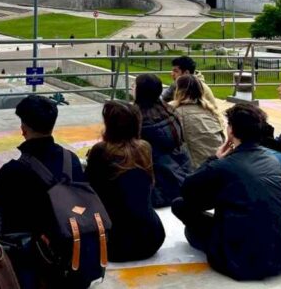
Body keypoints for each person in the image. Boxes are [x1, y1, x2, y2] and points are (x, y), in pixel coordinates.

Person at [0, 95, 86, 288]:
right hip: (63, 232)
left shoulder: (12, 170)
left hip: (25, 241)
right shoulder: (71, 160)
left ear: (24, 129)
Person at [172, 104, 281, 281]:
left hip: (243, 261)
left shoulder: (224, 165)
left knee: (183, 211)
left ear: (231, 131)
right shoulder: (272, 160)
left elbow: (187, 188)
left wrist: (214, 158)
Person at [85, 101, 165, 262]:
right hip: (151, 237)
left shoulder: (101, 151)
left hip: (115, 244)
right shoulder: (144, 148)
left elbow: (89, 189)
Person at [133, 74, 191, 207]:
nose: (132, 87)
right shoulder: (170, 111)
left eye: (134, 85)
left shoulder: (136, 119)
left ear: (140, 91)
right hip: (180, 177)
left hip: (157, 190)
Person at [172, 74, 225, 168]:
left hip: (197, 170)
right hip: (218, 164)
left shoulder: (175, 112)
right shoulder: (211, 111)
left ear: (178, 91)